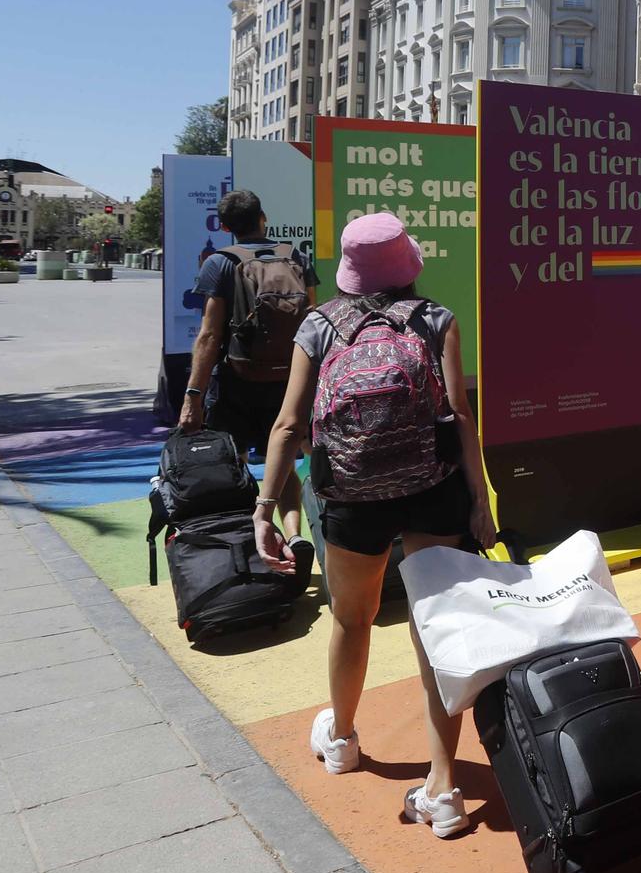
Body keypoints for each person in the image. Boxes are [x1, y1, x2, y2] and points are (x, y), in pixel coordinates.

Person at [253, 212, 496, 839]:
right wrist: (480, 501)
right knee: (435, 632)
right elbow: (461, 414)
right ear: (408, 265)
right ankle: (444, 790)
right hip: (435, 488)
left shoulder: (318, 324)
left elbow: (288, 425)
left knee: (351, 618)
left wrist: (263, 509)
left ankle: (340, 738)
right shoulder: (436, 318)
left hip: (351, 494)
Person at [180, 189, 315, 567]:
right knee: (285, 463)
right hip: (288, 381)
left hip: (237, 382)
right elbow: (312, 322)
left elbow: (209, 334)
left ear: (224, 227)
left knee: (235, 467)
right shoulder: (296, 256)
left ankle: (256, 545)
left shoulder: (220, 263)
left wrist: (193, 396)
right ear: (263, 217)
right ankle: (295, 535)